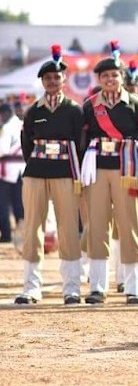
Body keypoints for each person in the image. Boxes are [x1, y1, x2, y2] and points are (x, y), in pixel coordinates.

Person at [15, 45, 84, 305]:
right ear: (42, 82)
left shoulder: (75, 110)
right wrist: (36, 163)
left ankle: (72, 287)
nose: (52, 82)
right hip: (36, 174)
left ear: (64, 80)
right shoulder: (34, 111)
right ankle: (31, 287)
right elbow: (26, 143)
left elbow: (81, 142)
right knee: (33, 227)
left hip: (66, 173)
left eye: (56, 77)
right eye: (47, 78)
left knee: (68, 228)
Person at [80, 40, 138, 304]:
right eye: (105, 75)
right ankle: (98, 287)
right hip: (97, 170)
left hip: (126, 168)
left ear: (122, 77)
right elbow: (82, 139)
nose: (110, 79)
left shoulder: (136, 104)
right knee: (97, 225)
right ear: (99, 78)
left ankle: (133, 287)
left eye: (114, 74)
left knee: (130, 225)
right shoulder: (89, 106)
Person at [0, 103, 25, 244]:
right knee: (19, 204)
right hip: (22, 169)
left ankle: (6, 235)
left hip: (7, 171)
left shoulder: (6, 128)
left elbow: (2, 150)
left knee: (3, 204)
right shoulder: (22, 124)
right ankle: (21, 236)